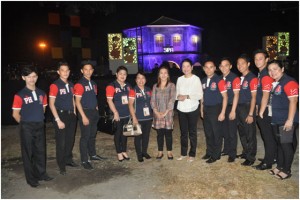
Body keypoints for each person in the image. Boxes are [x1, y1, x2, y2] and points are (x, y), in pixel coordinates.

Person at [12, 66, 53, 188]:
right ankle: (31, 179)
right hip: (27, 127)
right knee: (28, 153)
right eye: (29, 76)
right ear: (23, 78)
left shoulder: (42, 93)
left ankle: (41, 173)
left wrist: (38, 120)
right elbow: (15, 114)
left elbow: (43, 109)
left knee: (40, 151)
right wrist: (25, 124)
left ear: (37, 77)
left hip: (40, 125)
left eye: (34, 76)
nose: (32, 79)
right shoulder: (19, 95)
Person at [268, 60, 299, 180]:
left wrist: (290, 120)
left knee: (285, 145)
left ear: (282, 69)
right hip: (277, 118)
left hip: (286, 119)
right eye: (270, 70)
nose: (272, 72)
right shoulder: (276, 82)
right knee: (280, 144)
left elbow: (293, 101)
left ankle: (287, 169)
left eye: (275, 69)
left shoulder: (289, 82)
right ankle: (280, 166)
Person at [74, 60, 106, 170]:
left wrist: (96, 107)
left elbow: (93, 97)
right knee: (85, 137)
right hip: (85, 112)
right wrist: (83, 116)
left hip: (93, 112)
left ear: (92, 71)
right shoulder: (79, 84)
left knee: (92, 135)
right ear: (82, 71)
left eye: (90, 69)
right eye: (85, 70)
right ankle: (84, 160)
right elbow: (77, 101)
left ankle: (92, 155)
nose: (88, 72)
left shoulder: (93, 84)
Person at [49, 61, 78, 175]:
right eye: (62, 70)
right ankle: (61, 166)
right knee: (61, 142)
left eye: (67, 70)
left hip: (71, 115)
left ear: (69, 72)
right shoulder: (55, 85)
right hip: (60, 115)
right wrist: (57, 119)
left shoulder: (71, 84)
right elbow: (51, 104)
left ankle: (68, 160)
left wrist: (75, 112)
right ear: (58, 72)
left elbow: (73, 99)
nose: (65, 73)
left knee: (70, 140)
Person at [253, 49, 277, 170]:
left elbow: (266, 95)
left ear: (267, 59)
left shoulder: (266, 74)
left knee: (267, 136)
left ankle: (268, 162)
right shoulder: (261, 73)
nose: (258, 61)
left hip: (266, 110)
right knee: (268, 135)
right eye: (256, 59)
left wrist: (261, 111)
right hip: (263, 108)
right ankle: (271, 156)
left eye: (260, 58)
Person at [176, 58, 203, 162]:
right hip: (181, 108)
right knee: (183, 132)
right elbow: (177, 93)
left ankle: (192, 154)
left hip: (192, 108)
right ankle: (183, 153)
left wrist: (187, 96)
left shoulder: (196, 79)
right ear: (181, 68)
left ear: (192, 67)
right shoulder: (179, 79)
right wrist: (178, 96)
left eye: (188, 66)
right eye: (183, 66)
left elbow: (200, 95)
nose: (186, 68)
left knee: (192, 132)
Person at [201, 60, 228, 164]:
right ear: (203, 69)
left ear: (215, 68)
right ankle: (209, 151)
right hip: (206, 108)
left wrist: (222, 112)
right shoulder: (203, 80)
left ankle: (216, 155)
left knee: (216, 133)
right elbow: (202, 97)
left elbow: (225, 97)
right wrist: (201, 110)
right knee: (208, 132)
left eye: (211, 67)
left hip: (216, 109)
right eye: (206, 67)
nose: (208, 69)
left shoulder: (219, 80)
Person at [236, 54, 258, 166]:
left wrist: (250, 114)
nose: (240, 66)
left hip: (247, 107)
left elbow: (254, 97)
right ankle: (245, 152)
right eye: (238, 64)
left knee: (250, 133)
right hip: (239, 107)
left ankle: (251, 157)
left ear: (248, 64)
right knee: (242, 132)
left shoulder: (252, 78)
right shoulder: (240, 78)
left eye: (242, 63)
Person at [106, 66, 132, 162]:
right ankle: (119, 152)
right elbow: (109, 100)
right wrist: (115, 112)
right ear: (116, 74)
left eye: (124, 74)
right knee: (118, 134)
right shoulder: (111, 86)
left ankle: (124, 150)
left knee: (125, 133)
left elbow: (131, 100)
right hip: (117, 115)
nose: (122, 76)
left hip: (127, 114)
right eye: (120, 73)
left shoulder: (128, 86)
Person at [150, 66, 176, 160]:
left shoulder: (172, 85)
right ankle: (160, 151)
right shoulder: (155, 86)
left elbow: (172, 99)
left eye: (165, 73)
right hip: (157, 114)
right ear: (159, 75)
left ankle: (169, 151)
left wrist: (165, 112)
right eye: (161, 73)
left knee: (168, 134)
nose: (163, 75)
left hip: (168, 114)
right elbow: (152, 100)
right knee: (159, 134)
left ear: (168, 74)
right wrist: (156, 111)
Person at [219, 57, 240, 162]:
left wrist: (233, 110)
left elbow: (236, 95)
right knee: (224, 130)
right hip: (223, 107)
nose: (224, 68)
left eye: (226, 65)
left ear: (230, 66)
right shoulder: (219, 78)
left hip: (231, 106)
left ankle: (232, 153)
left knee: (232, 132)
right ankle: (226, 149)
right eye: (222, 66)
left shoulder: (234, 78)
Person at [128, 72, 153, 162]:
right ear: (136, 80)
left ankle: (144, 152)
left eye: (143, 78)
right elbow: (130, 105)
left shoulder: (148, 89)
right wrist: (134, 118)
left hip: (148, 117)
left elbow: (151, 103)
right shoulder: (133, 90)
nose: (141, 80)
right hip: (138, 118)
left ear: (145, 80)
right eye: (138, 78)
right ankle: (139, 154)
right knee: (138, 137)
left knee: (146, 136)